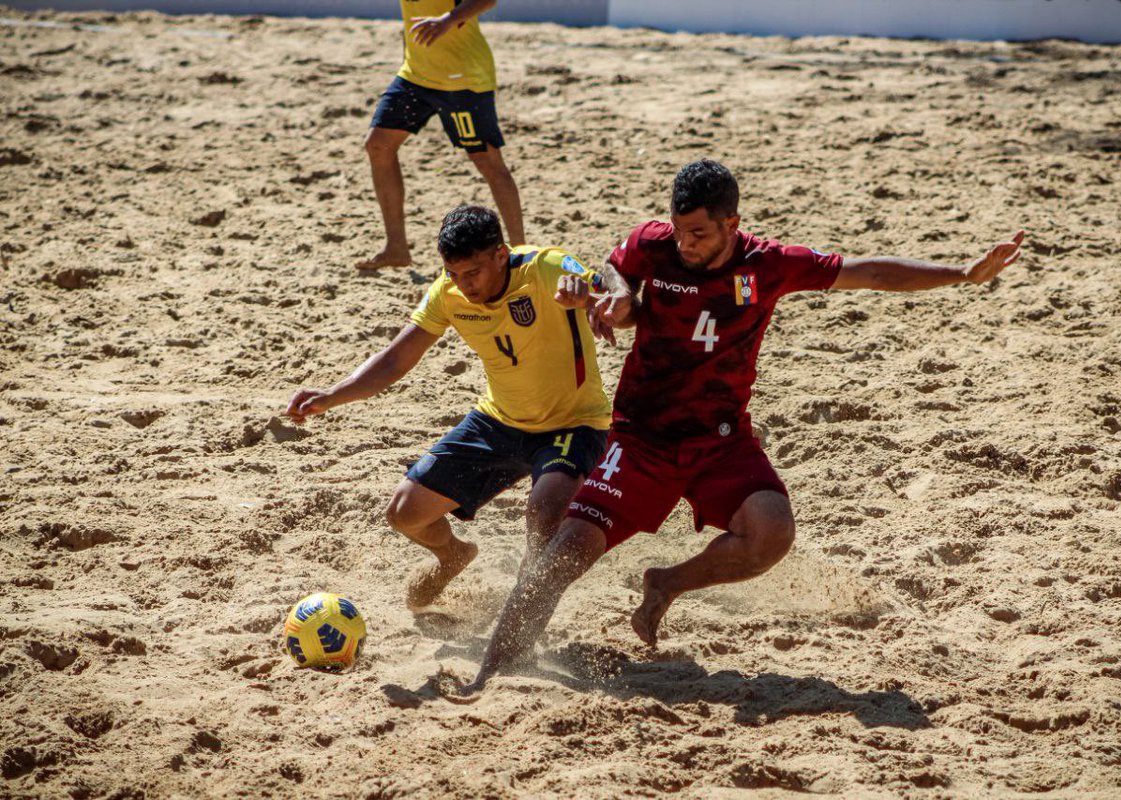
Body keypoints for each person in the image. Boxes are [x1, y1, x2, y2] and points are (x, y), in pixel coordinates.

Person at [464, 158, 1024, 691]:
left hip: (720, 440)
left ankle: (667, 582)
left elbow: (869, 272)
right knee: (566, 551)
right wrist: (617, 296)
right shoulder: (652, 244)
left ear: (734, 223)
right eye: (681, 231)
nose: (686, 244)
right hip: (641, 438)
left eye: (700, 234)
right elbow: (616, 269)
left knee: (771, 532)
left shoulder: (769, 265)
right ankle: (493, 671)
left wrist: (963, 274)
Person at [286, 205, 614, 607]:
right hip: (500, 420)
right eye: (454, 273)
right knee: (404, 513)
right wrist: (332, 395)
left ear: (500, 254)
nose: (463, 284)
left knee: (543, 510)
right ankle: (452, 555)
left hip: (574, 424)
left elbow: (613, 288)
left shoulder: (545, 267)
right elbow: (394, 359)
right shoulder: (449, 291)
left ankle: (524, 611)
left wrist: (593, 299)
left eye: (472, 273)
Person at [356, 0, 524, 270]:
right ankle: (396, 247)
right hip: (415, 75)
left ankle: (521, 253)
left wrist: (448, 20)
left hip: (464, 77)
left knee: (487, 162)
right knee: (378, 145)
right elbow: (413, 21)